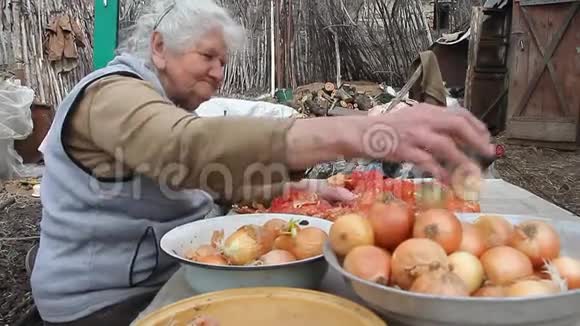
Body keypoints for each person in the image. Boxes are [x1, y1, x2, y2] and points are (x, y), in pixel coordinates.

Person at [30, 0, 495, 325]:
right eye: (207, 56)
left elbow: (201, 183)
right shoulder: (109, 94)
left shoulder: (164, 103)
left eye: (223, 61)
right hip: (102, 304)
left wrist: (302, 191)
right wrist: (360, 131)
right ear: (157, 47)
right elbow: (183, 151)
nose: (218, 72)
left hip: (175, 275)